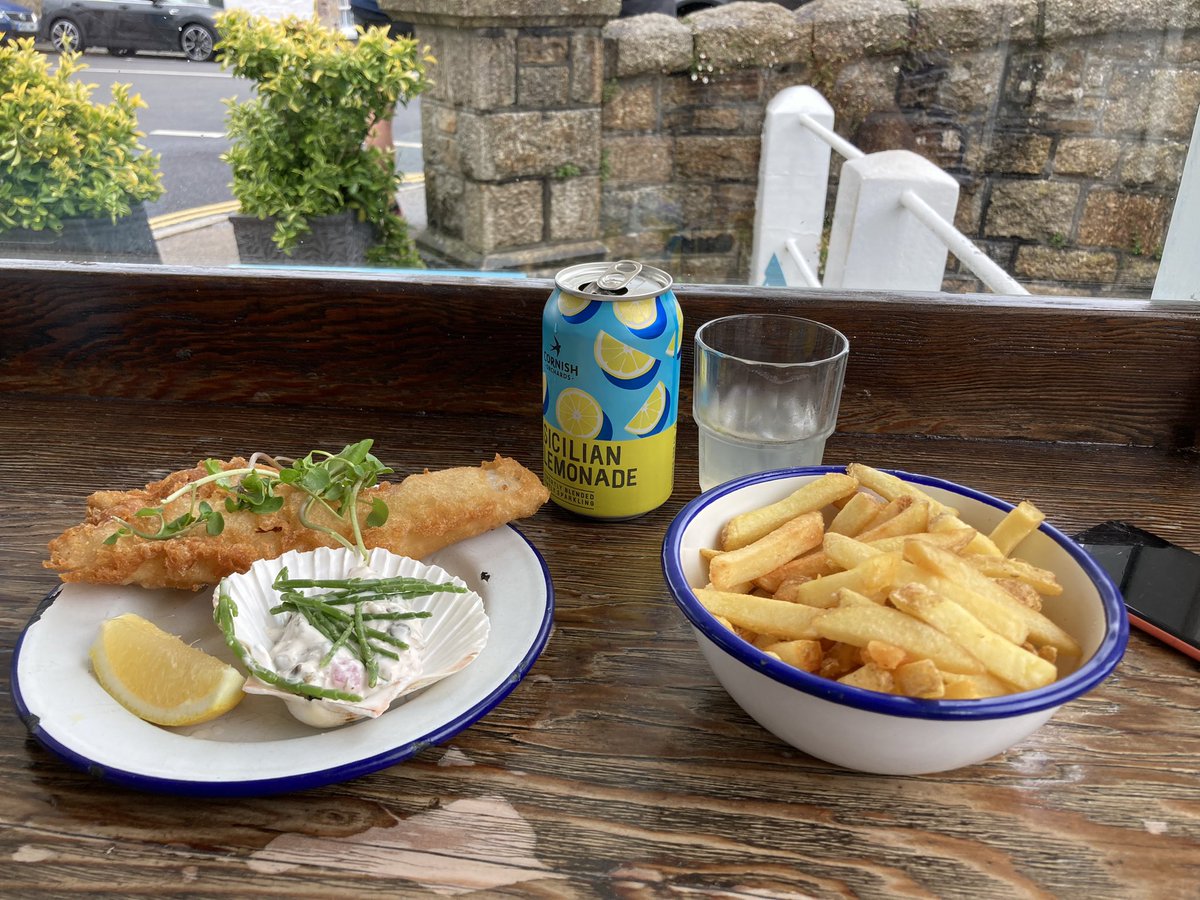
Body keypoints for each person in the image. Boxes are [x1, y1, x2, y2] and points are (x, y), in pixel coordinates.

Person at [349, 0, 413, 211]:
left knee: (376, 108)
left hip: (367, 10)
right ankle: (386, 205)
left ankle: (383, 203)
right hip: (394, 13)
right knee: (380, 113)